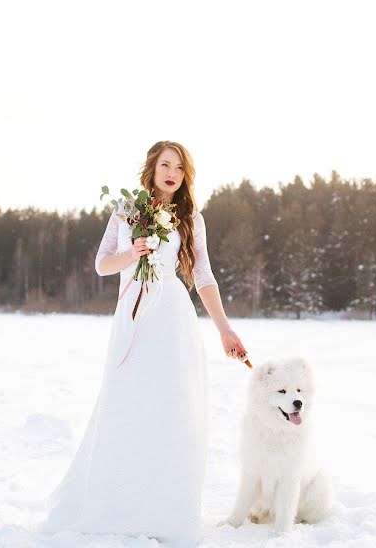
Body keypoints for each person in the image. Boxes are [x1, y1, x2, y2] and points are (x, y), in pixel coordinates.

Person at [40, 140, 248, 547]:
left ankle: (167, 514)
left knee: (173, 411)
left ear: (185, 176)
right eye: (165, 164)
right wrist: (132, 253)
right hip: (134, 319)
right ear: (152, 169)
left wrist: (224, 328)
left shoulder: (192, 219)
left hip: (173, 319)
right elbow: (102, 264)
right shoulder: (127, 209)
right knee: (128, 407)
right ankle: (117, 508)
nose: (172, 172)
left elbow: (203, 278)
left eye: (179, 167)